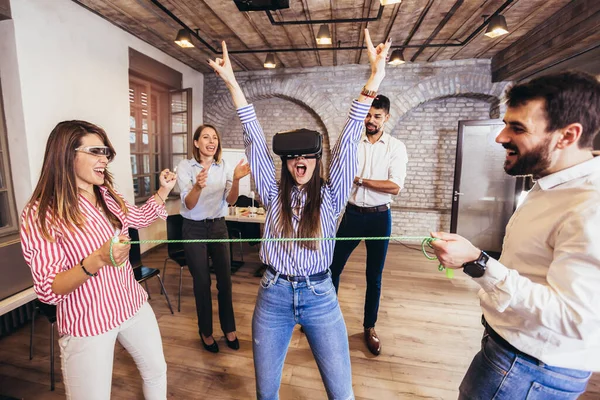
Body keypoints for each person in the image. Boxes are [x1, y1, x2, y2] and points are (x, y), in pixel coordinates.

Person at [208, 29, 391, 399]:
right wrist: (232, 83)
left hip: (320, 295)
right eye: (292, 156)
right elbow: (255, 138)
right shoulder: (272, 194)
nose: (299, 161)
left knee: (342, 394)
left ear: (316, 160)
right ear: (286, 162)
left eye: (307, 155)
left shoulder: (331, 195)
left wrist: (374, 80)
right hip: (273, 295)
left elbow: (349, 136)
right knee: (266, 395)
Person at [430, 71, 600, 399]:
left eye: (517, 128)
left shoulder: (590, 205)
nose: (500, 137)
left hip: (529, 371)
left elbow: (575, 318)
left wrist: (478, 262)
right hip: (509, 354)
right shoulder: (553, 180)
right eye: (507, 123)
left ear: (567, 136)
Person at [20, 120, 177, 400]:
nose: (104, 158)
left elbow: (139, 218)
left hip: (131, 304)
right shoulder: (41, 212)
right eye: (96, 151)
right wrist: (97, 260)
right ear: (67, 154)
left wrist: (163, 190)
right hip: (87, 322)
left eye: (106, 153)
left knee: (156, 370)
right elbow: (48, 288)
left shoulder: (107, 196)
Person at [329, 93, 408, 356]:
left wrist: (360, 180)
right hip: (351, 215)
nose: (371, 120)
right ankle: (325, 318)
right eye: (368, 115)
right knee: (332, 268)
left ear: (386, 117)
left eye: (377, 116)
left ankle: (369, 327)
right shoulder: (352, 143)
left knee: (374, 277)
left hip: (378, 218)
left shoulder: (395, 147)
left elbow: (395, 186)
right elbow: (336, 176)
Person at [176, 124, 250, 352]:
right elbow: (189, 203)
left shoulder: (223, 166)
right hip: (193, 229)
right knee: (202, 283)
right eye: (206, 137)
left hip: (218, 227)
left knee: (225, 282)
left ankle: (229, 328)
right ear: (196, 142)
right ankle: (206, 332)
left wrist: (236, 180)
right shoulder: (185, 167)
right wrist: (198, 186)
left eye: (215, 137)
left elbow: (231, 201)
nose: (212, 141)